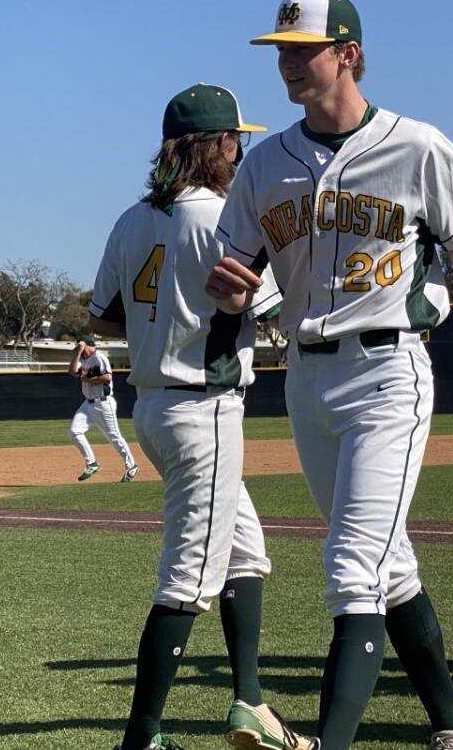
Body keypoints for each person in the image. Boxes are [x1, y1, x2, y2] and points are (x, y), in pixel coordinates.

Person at [205, 0, 453, 750]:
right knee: (387, 566)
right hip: (303, 376)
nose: (289, 64)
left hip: (387, 372)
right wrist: (230, 286)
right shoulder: (265, 161)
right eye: (282, 51)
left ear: (351, 55)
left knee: (350, 572)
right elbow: (235, 267)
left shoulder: (417, 146)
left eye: (304, 50)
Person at [88, 84, 305, 750]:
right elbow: (275, 314)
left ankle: (249, 703)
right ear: (214, 144)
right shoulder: (225, 216)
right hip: (204, 406)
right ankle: (143, 737)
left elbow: (102, 318)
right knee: (188, 577)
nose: (240, 149)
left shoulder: (130, 220)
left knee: (248, 553)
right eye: (234, 138)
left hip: (152, 402)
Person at [67, 335, 140, 482]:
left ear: (86, 344)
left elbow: (107, 378)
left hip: (103, 402)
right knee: (75, 432)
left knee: (113, 436)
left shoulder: (99, 358)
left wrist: (89, 379)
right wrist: (77, 352)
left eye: (78, 345)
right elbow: (72, 371)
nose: (76, 348)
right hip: (87, 404)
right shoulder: (82, 358)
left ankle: (131, 465)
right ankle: (92, 463)